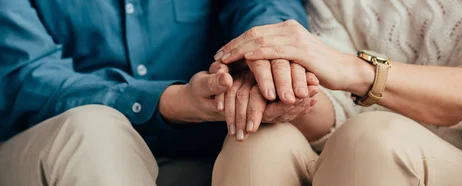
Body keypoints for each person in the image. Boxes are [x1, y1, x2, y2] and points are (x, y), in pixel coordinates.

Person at [212, 0, 462, 185]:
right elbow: (333, 109)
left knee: (372, 138)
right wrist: (273, 84)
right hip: (347, 150)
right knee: (255, 137)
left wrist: (359, 72)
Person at [0, 0, 315, 185]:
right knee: (91, 129)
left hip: (208, 145)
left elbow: (265, 7)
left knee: (266, 139)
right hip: (48, 142)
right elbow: (24, 80)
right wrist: (170, 102)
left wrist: (262, 63)